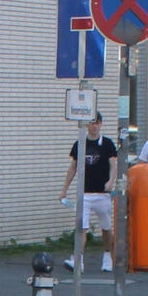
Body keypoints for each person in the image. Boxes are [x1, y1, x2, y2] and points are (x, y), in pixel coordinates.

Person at [57, 115, 123, 273]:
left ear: (100, 125)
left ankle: (107, 255)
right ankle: (77, 260)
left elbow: (113, 165)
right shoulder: (80, 143)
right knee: (81, 227)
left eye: (97, 123)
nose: (94, 126)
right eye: (91, 123)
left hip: (102, 193)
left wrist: (110, 181)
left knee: (106, 227)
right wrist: (64, 189)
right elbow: (73, 167)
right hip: (84, 193)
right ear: (87, 125)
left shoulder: (107, 143)